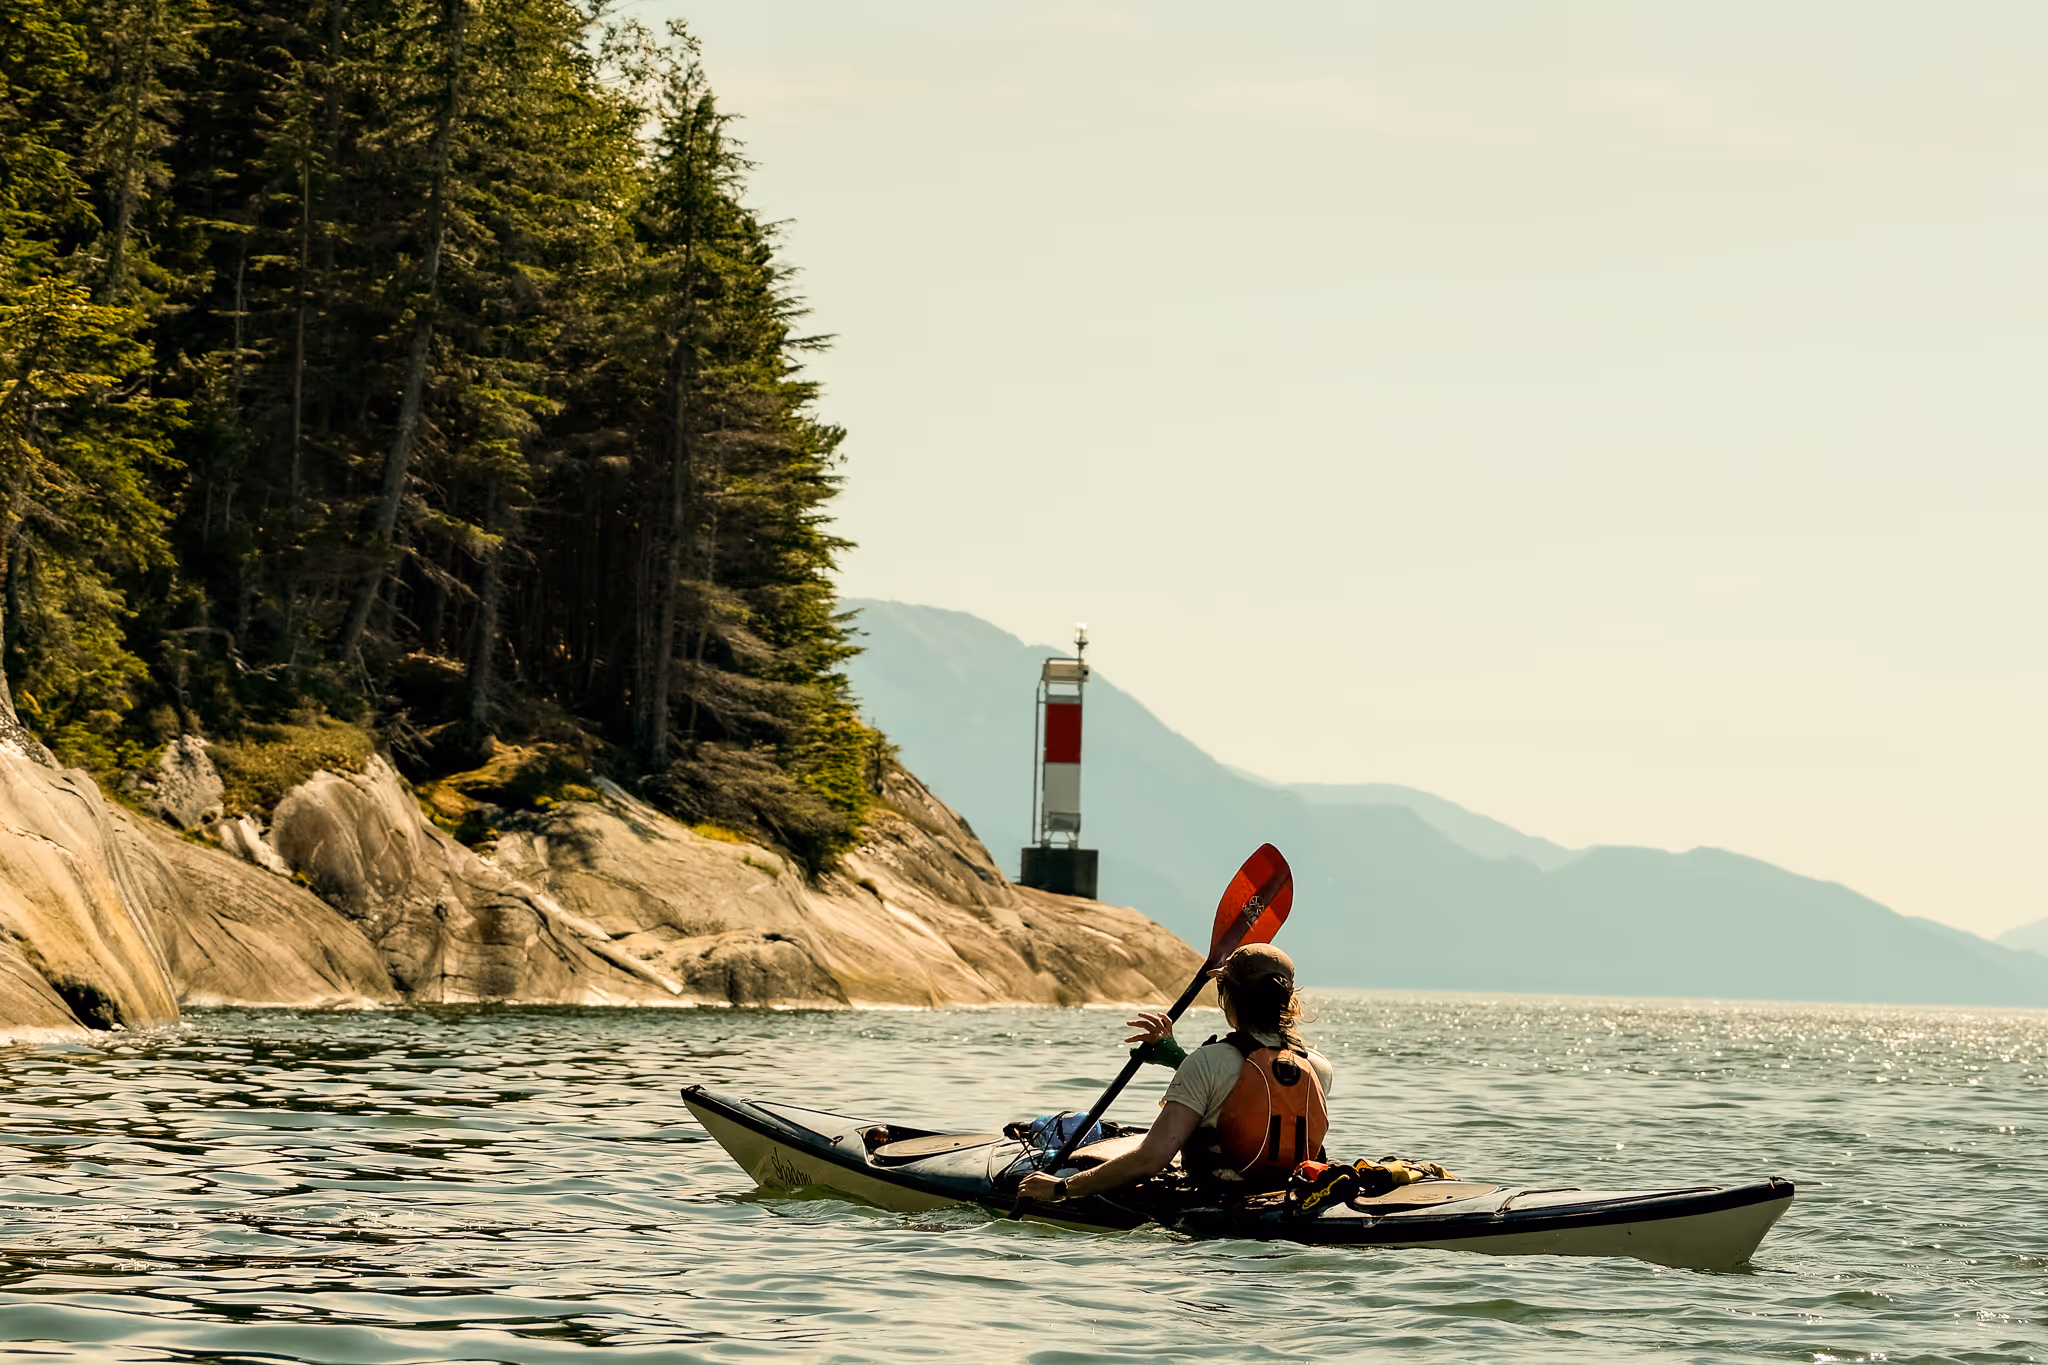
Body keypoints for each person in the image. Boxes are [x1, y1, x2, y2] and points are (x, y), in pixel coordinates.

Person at [1017, 943, 1334, 1205]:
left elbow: (1149, 1161)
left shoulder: (1208, 1062)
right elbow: (1254, 1091)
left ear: (1226, 994)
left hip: (1218, 1204)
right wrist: (1176, 1057)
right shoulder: (1317, 1067)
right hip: (1290, 1196)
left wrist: (1061, 1188)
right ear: (1288, 999)